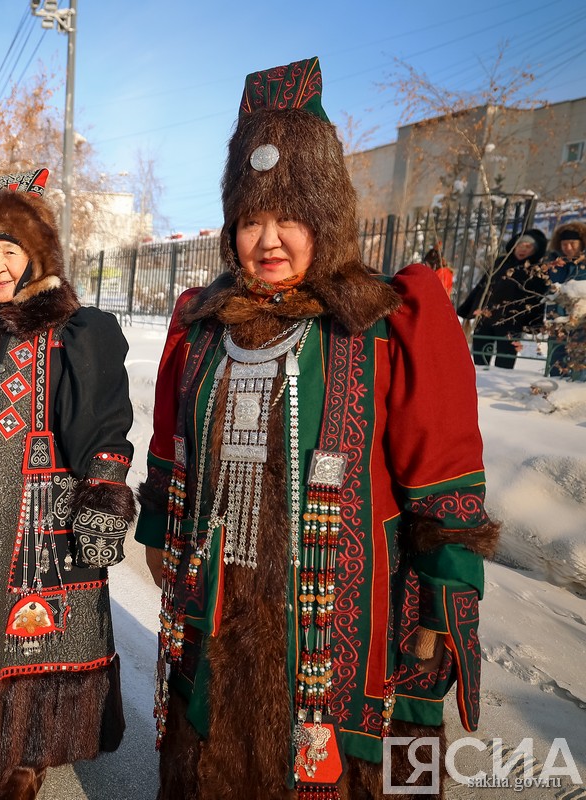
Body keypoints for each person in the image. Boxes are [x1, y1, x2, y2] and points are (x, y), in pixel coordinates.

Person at [137, 58, 498, 799]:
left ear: (325, 222)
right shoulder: (205, 327)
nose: (268, 240)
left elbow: (440, 474)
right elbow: (174, 451)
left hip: (339, 618)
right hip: (221, 595)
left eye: (289, 218)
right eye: (250, 220)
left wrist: (437, 604)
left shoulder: (380, 323)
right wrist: (159, 545)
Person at [0, 168, 136, 800]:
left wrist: (102, 496)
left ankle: (27, 755)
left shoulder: (72, 330)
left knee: (27, 636)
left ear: (36, 257)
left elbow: (103, 419)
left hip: (37, 517)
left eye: (10, 250)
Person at [458, 228, 548, 368]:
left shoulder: (536, 269)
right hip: (486, 318)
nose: (522, 249)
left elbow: (537, 299)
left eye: (528, 246)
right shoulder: (501, 262)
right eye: (520, 245)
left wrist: (534, 325)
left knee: (504, 361)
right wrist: (468, 309)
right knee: (479, 361)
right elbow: (483, 286)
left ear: (536, 250)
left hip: (511, 322)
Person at [544, 221, 586, 378]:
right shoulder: (554, 263)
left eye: (572, 243)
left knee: (579, 361)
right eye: (564, 244)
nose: (568, 248)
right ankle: (555, 391)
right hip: (557, 318)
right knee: (556, 359)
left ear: (581, 243)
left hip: (582, 320)